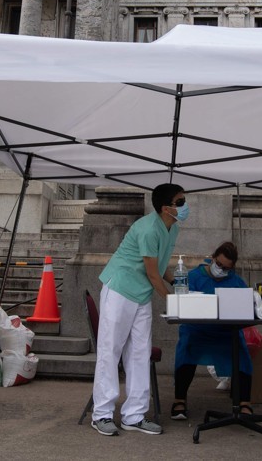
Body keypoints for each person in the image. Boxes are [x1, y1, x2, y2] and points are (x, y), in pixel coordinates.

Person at [91, 183, 187, 436]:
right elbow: (153, 274)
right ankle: (101, 414)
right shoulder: (147, 229)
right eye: (181, 202)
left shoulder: (172, 228)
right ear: (166, 208)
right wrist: (174, 302)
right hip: (121, 289)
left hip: (141, 294)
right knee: (110, 351)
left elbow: (162, 266)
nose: (185, 206)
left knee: (140, 353)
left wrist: (178, 284)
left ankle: (134, 415)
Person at [170, 241, 253, 420]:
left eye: (226, 268)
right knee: (186, 350)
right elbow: (181, 303)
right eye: (219, 264)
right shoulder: (193, 277)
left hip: (226, 332)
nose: (221, 269)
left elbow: (246, 307)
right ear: (213, 258)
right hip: (197, 330)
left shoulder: (236, 281)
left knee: (242, 353)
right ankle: (179, 400)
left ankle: (245, 403)